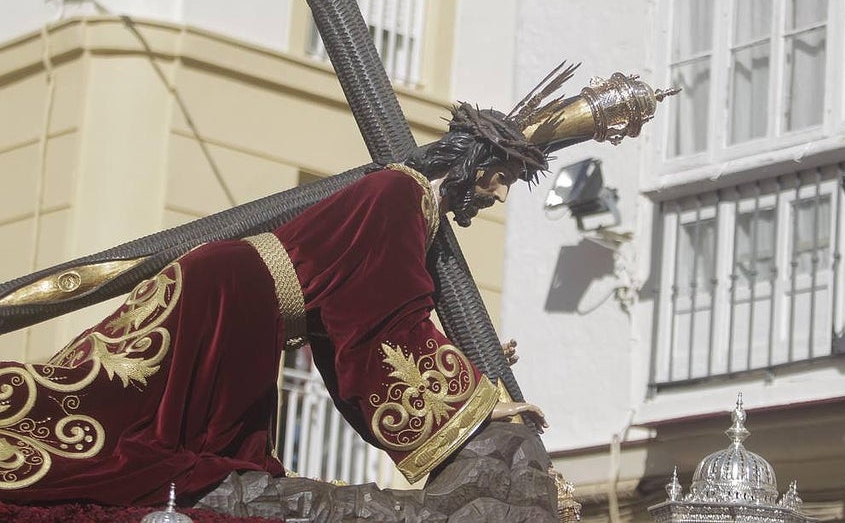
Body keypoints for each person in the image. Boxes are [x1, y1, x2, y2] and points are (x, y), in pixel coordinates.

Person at [0, 102, 550, 508]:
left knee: (155, 428)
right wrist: (475, 407)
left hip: (240, 299)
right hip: (232, 301)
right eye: (500, 178)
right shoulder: (399, 196)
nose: (499, 195)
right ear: (474, 161)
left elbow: (361, 321)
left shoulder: (406, 200)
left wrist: (465, 376)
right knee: (128, 419)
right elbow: (383, 323)